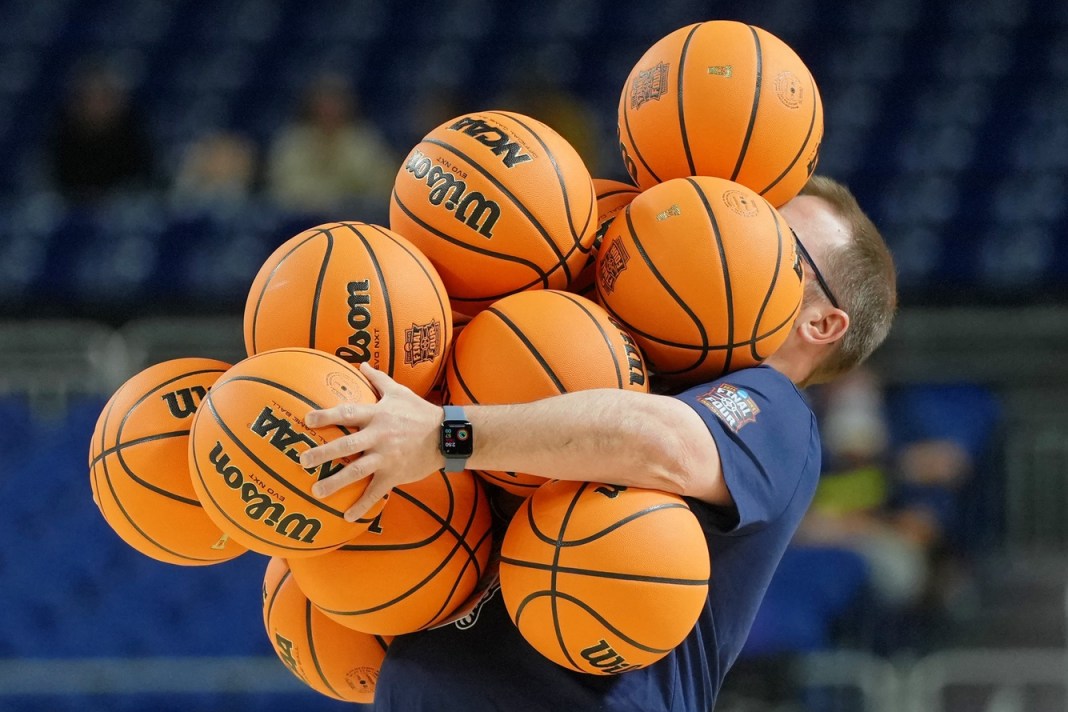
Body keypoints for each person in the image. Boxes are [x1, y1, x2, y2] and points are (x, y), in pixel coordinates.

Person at [298, 174, 898, 711]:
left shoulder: (779, 412)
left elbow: (661, 445)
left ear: (822, 323)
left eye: (786, 250)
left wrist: (442, 435)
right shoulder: (633, 358)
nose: (752, 243)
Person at [266, 71, 397, 217]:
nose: (329, 109)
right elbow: (284, 189)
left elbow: (379, 184)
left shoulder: (363, 139)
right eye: (324, 102)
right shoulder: (292, 141)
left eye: (336, 102)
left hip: (353, 216)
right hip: (299, 218)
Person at [48, 59, 155, 201]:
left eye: (104, 97)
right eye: (91, 98)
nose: (98, 105)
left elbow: (145, 178)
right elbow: (55, 182)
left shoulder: (133, 132)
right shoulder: (63, 134)